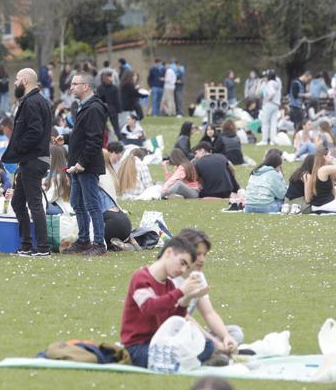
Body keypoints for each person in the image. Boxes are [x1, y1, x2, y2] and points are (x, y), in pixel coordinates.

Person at [120, 236, 205, 368]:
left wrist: (187, 298)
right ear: (169, 252)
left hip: (161, 343)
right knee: (181, 353)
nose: (183, 270)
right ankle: (194, 361)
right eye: (182, 263)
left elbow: (170, 321)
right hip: (138, 347)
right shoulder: (141, 277)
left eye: (186, 267)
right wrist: (181, 291)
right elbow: (149, 307)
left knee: (206, 345)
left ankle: (194, 360)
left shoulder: (169, 285)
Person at [1, 68, 53, 258]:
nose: (14, 84)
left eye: (16, 80)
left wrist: (19, 148)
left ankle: (43, 247)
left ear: (24, 80)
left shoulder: (31, 102)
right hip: (31, 159)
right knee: (17, 202)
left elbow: (34, 131)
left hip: (33, 159)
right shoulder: (40, 101)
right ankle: (26, 245)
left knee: (35, 204)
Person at [173, 229, 243, 353]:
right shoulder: (171, 278)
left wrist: (226, 337)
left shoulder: (197, 276)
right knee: (203, 343)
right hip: (170, 334)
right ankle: (213, 351)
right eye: (198, 254)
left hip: (190, 332)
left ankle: (216, 350)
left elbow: (209, 313)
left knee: (235, 333)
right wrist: (213, 341)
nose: (202, 259)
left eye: (204, 254)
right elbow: (184, 317)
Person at [63, 72, 108, 256]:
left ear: (86, 86)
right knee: (77, 203)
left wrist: (82, 162)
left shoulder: (94, 108)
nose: (71, 87)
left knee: (92, 205)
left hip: (86, 166)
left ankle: (99, 244)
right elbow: (81, 134)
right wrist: (65, 138)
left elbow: (95, 140)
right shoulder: (84, 106)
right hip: (77, 165)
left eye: (75, 84)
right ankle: (83, 241)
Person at [95, 70, 121, 140]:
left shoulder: (99, 88)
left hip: (103, 109)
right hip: (112, 109)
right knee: (116, 127)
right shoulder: (114, 88)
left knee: (102, 127)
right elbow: (117, 100)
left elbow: (98, 99)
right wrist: (119, 110)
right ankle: (121, 140)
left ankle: (102, 140)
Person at [258, 70, 281, 146]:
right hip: (276, 104)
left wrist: (266, 100)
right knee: (273, 123)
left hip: (270, 104)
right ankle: (272, 140)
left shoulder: (270, 83)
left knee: (265, 122)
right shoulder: (277, 83)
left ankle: (264, 140)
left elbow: (271, 93)